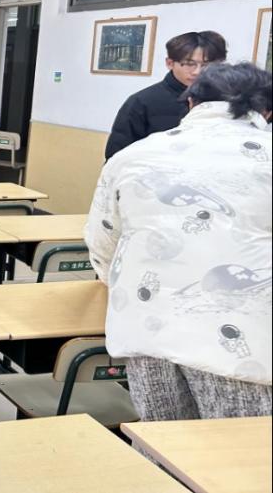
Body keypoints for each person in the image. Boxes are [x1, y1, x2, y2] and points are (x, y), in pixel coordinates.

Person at [86, 62, 272, 422]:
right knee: (239, 449)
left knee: (162, 440)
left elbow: (103, 241)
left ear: (190, 103)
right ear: (266, 110)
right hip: (245, 338)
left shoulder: (132, 156)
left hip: (145, 327)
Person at [105, 30, 228, 159]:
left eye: (206, 65)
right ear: (170, 63)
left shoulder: (226, 99)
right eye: (189, 64)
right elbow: (116, 156)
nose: (197, 72)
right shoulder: (142, 102)